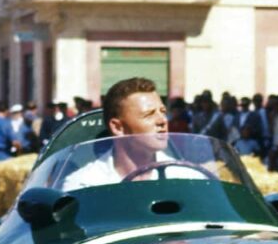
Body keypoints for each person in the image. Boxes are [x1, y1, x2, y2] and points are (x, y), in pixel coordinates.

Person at [59, 77, 209, 190]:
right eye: (149, 114)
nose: (162, 120)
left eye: (163, 112)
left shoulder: (188, 179)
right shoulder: (83, 184)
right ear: (118, 127)